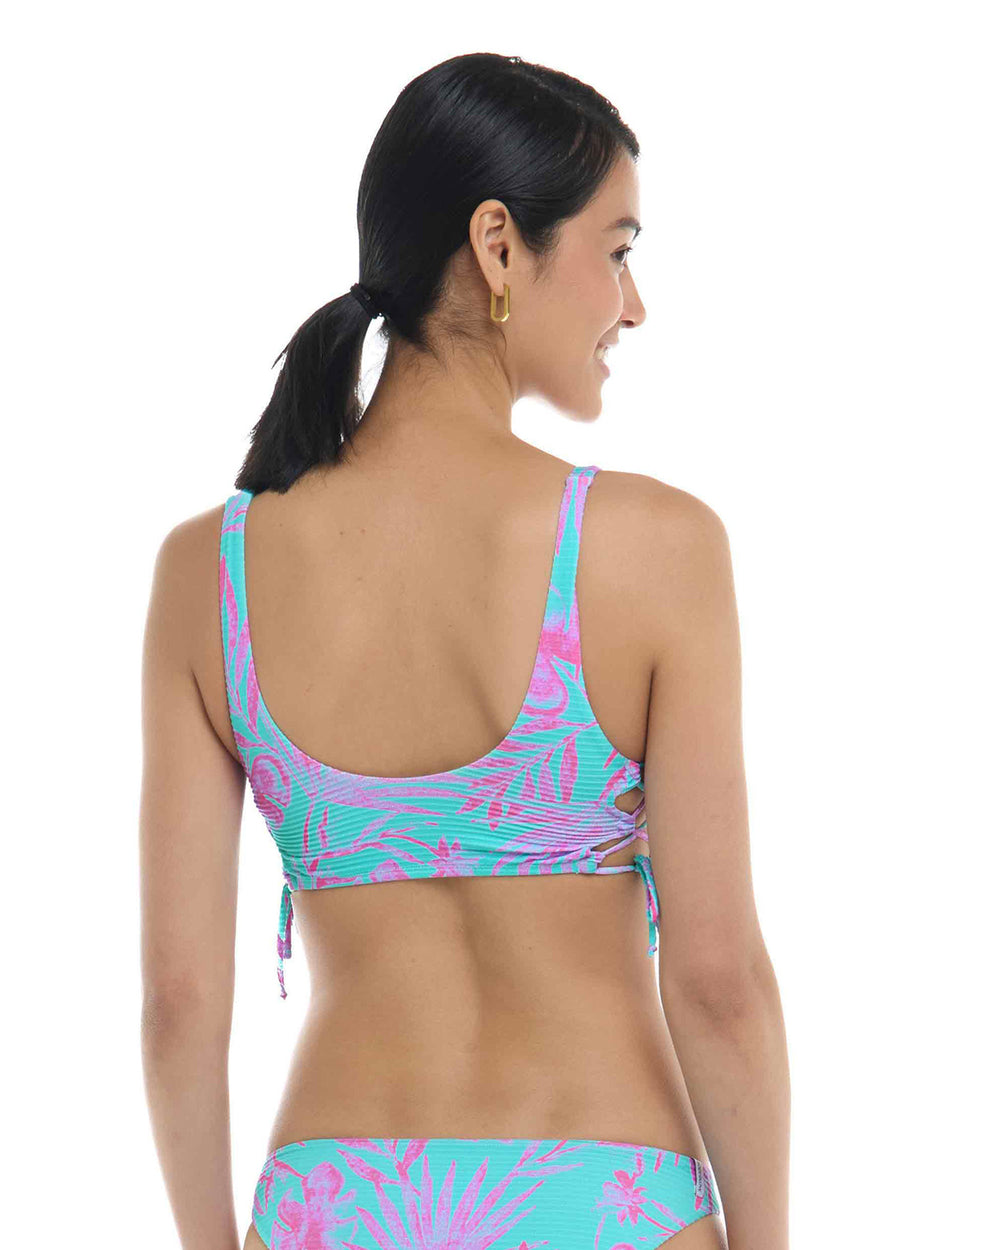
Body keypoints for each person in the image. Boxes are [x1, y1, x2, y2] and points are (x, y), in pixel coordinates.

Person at [140, 52, 789, 1250]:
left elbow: (180, 1002)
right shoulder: (651, 547)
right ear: (498, 245)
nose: (633, 305)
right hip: (607, 1192)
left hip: (334, 1199)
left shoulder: (209, 572)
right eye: (616, 250)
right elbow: (716, 981)